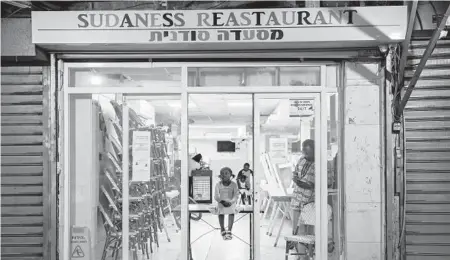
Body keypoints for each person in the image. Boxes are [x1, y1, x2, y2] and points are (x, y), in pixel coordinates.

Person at [290, 139, 315, 252]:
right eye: (303, 151)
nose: (305, 154)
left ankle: (307, 254)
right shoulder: (301, 159)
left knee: (307, 231)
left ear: (314, 150)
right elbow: (295, 172)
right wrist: (295, 178)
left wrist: (305, 184)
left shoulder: (320, 164)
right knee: (296, 229)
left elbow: (325, 183)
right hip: (297, 200)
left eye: (307, 152)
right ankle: (299, 254)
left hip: (310, 202)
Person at [214, 167, 239, 240]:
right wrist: (222, 201)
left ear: (230, 174)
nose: (224, 175)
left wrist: (231, 202)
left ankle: (229, 230)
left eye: (226, 173)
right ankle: (222, 228)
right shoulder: (218, 184)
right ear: (220, 175)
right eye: (222, 173)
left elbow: (236, 195)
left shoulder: (234, 184)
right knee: (220, 210)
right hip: (221, 201)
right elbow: (216, 196)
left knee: (231, 211)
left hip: (231, 202)